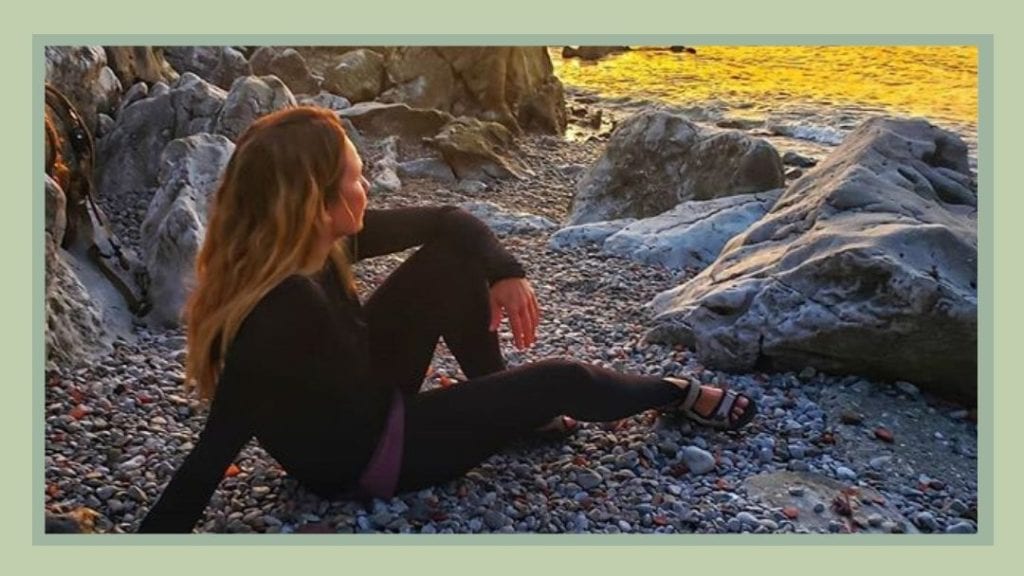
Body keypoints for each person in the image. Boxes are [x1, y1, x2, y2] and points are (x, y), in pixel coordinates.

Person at [137, 106, 756, 533]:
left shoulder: (315, 245)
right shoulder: (278, 314)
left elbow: (449, 222)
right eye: (356, 179)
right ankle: (676, 394)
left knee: (454, 263)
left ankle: (518, 413)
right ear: (314, 201)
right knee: (562, 376)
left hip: (364, 396)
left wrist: (505, 270)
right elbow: (211, 452)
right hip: (368, 457)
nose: (368, 190)